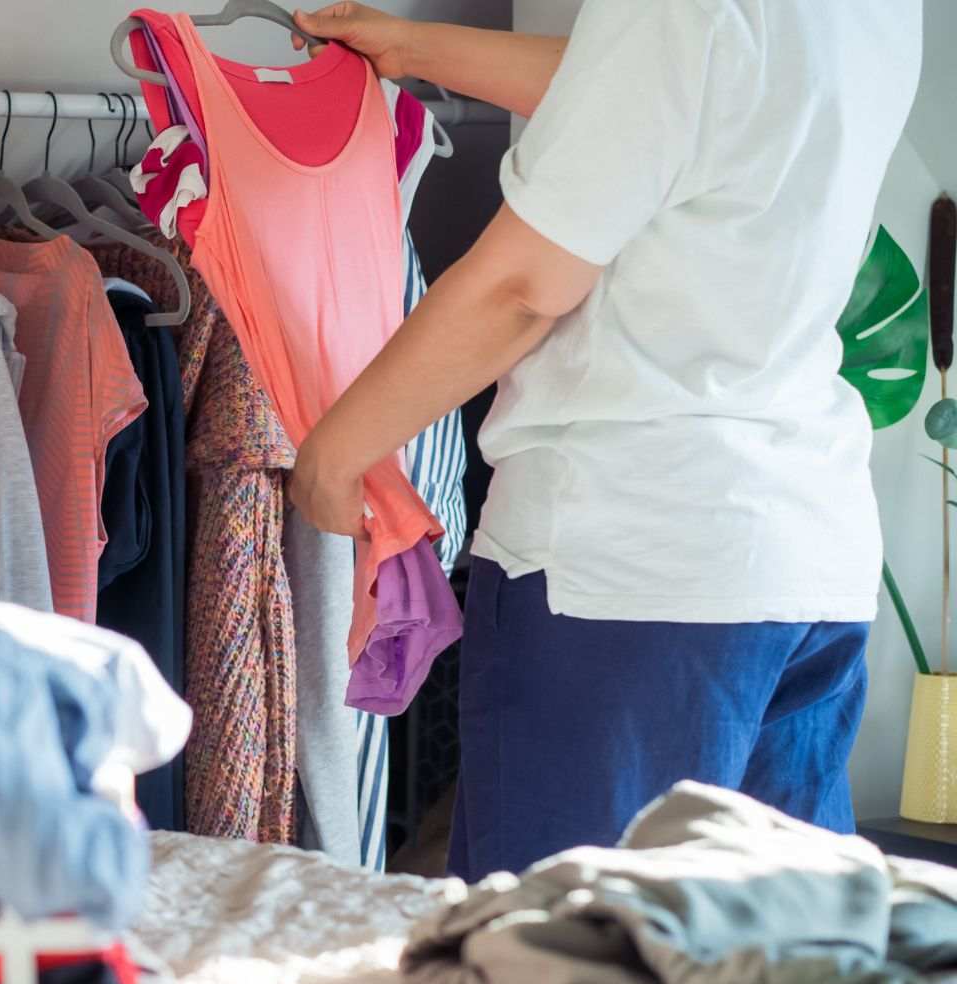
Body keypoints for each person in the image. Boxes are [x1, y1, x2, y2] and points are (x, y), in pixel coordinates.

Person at [286, 1, 924, 878]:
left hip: (627, 567)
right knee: (773, 946)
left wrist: (334, 453)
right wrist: (415, 46)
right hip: (802, 560)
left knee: (561, 950)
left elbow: (521, 287)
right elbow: (668, 93)